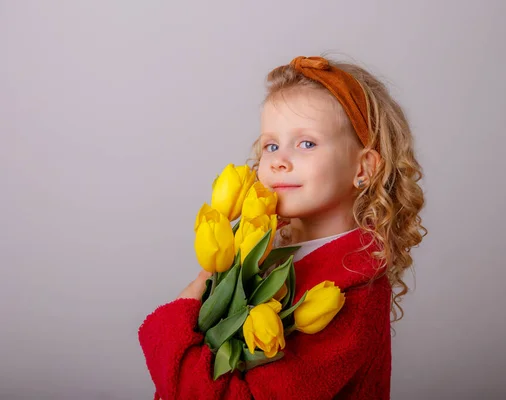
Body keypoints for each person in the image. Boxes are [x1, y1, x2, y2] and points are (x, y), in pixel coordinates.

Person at [138, 55, 426, 399]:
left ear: (363, 168)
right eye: (271, 145)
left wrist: (184, 309)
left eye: (307, 143)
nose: (278, 160)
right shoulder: (265, 254)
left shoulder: (355, 295)